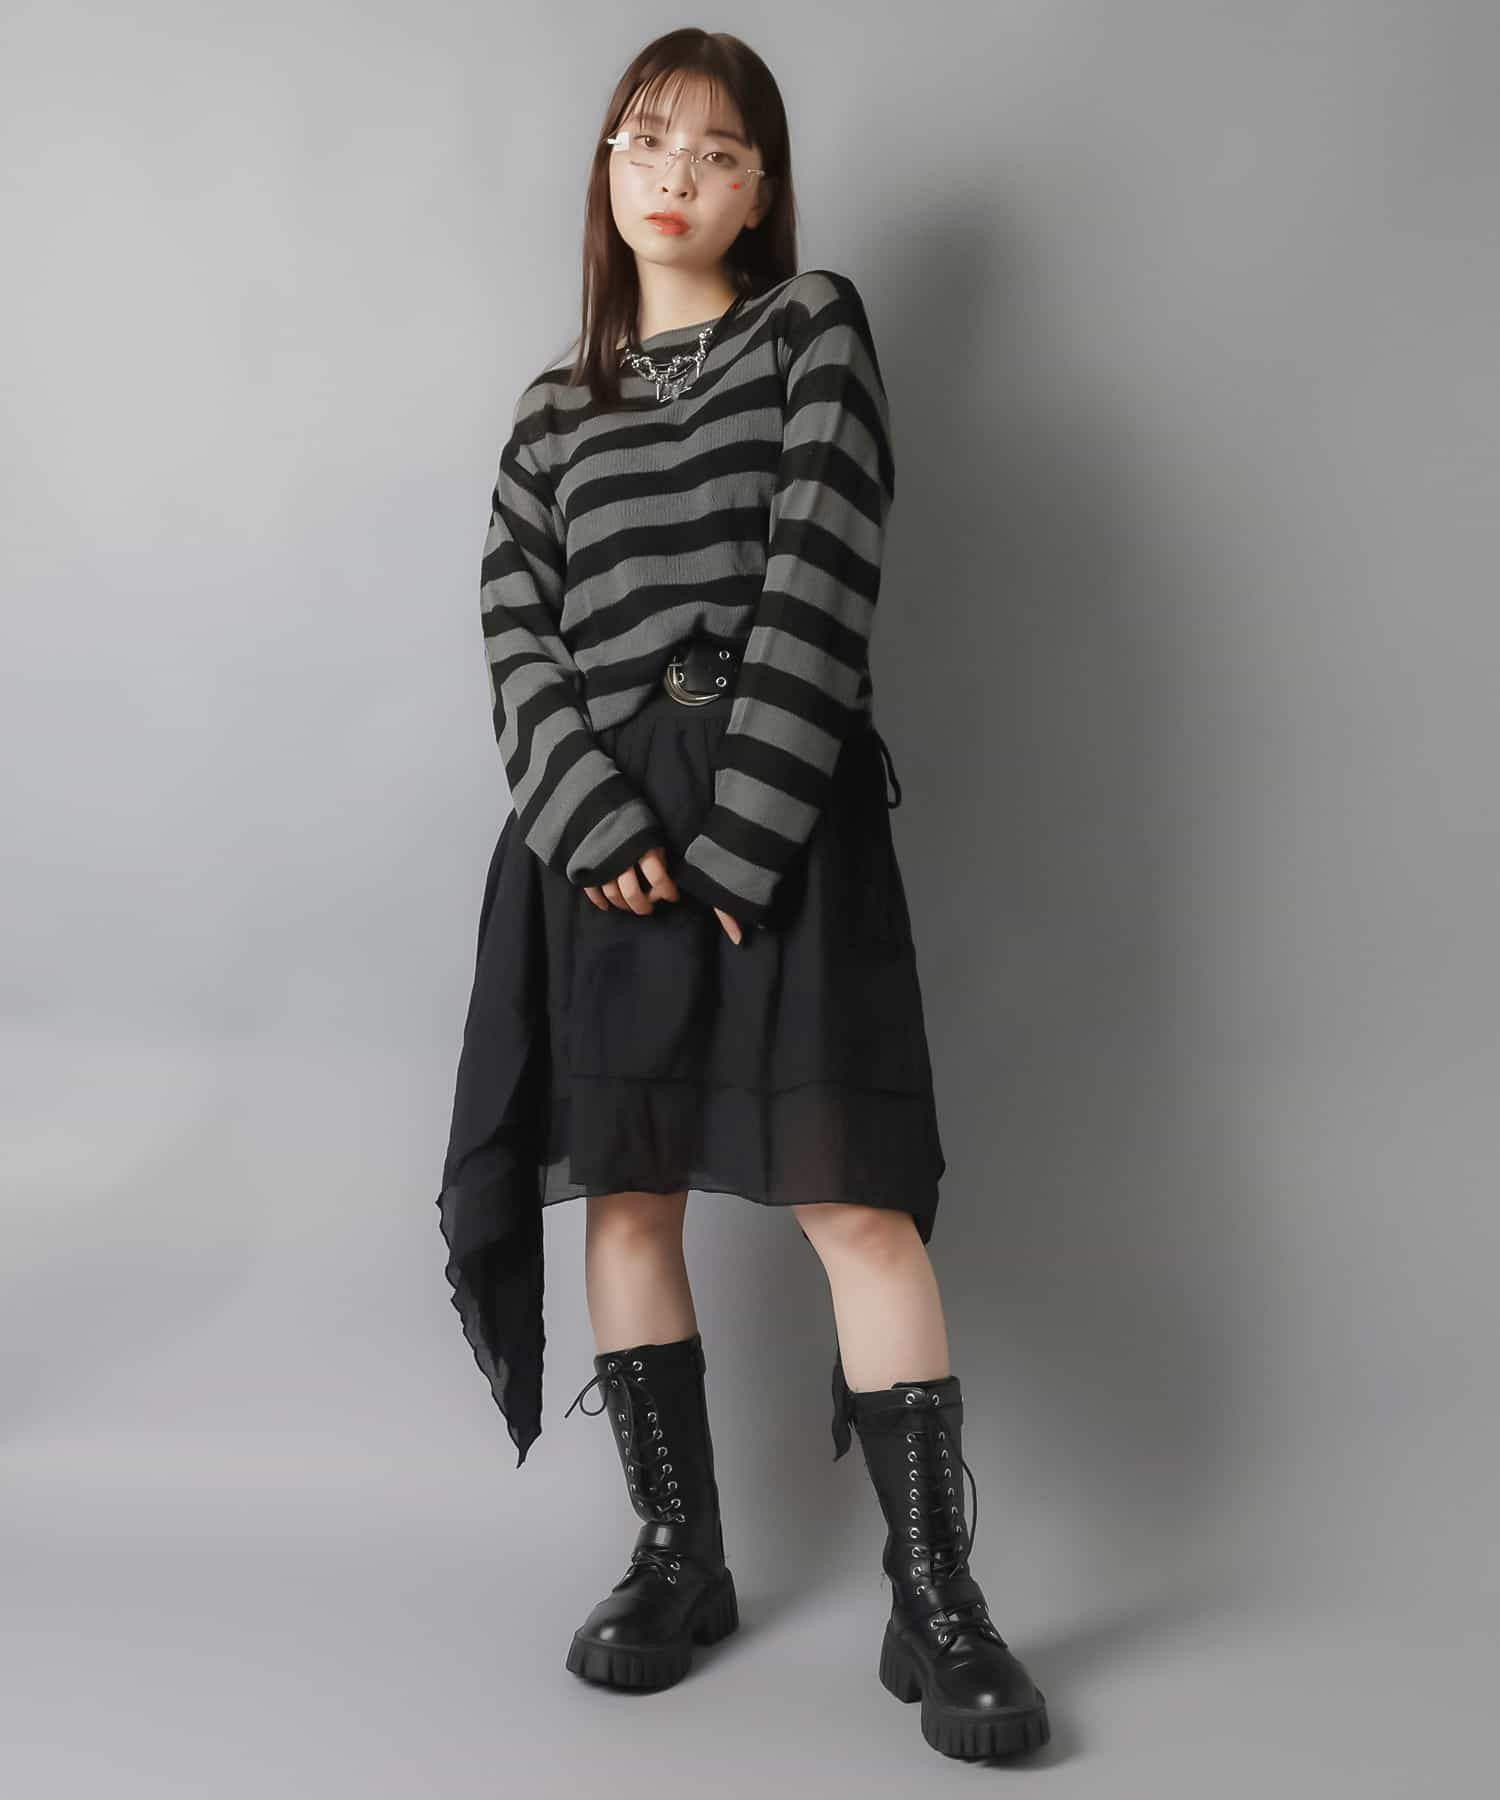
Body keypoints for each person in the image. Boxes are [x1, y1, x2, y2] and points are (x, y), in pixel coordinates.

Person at [435, 27, 1050, 1763]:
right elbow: (515, 630)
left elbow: (822, 570)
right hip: (604, 843)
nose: (676, 175)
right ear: (607, 168)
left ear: (762, 189)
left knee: (856, 1203)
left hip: (782, 819)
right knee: (627, 1197)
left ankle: (936, 1599)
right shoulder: (550, 413)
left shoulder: (811, 330)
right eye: (647, 140)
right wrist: (584, 812)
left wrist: (743, 834)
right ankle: (678, 1557)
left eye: (716, 151)